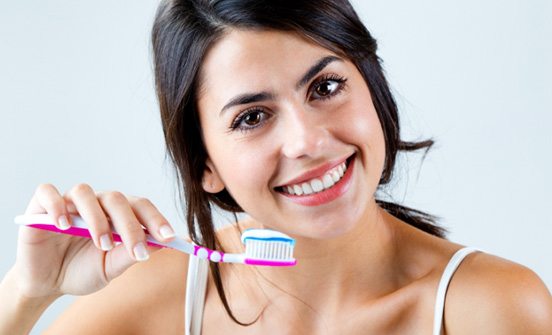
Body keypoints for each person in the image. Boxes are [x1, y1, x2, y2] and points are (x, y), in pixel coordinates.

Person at [1, 0, 551, 334]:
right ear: (204, 165)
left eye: (326, 86)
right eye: (253, 116)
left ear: (373, 89)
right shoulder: (161, 292)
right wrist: (27, 292)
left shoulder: (494, 307)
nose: (308, 140)